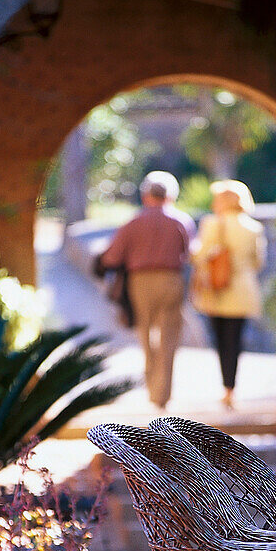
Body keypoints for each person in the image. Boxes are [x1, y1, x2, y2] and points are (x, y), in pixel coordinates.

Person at [98, 171, 195, 410]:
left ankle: (152, 386)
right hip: (171, 279)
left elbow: (112, 257)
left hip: (140, 282)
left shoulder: (133, 223)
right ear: (171, 196)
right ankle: (163, 394)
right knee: (169, 336)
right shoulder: (182, 221)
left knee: (145, 332)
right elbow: (192, 254)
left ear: (145, 195)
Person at [192, 179, 266, 410]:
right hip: (244, 290)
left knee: (221, 340)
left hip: (218, 291)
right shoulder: (254, 227)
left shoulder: (212, 223)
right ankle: (230, 389)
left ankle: (226, 387)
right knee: (234, 341)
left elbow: (199, 256)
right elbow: (257, 262)